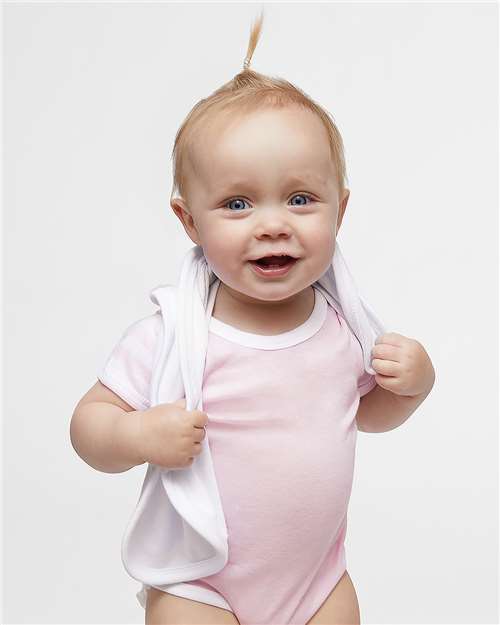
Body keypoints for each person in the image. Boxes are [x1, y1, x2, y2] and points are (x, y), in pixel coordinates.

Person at [70, 9, 435, 625]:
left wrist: (412, 388)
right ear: (189, 221)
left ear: (340, 210)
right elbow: (88, 426)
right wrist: (136, 436)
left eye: (300, 198)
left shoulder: (341, 328)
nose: (273, 224)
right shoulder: (174, 333)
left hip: (317, 581)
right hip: (200, 582)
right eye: (237, 204)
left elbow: (367, 416)